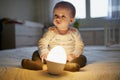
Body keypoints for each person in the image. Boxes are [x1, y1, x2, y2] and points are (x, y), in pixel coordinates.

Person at [21, 1, 87, 72]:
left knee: (82, 58)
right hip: (51, 59)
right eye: (56, 15)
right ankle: (37, 64)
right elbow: (42, 42)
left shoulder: (74, 32)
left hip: (68, 59)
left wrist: (74, 54)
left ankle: (67, 66)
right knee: (36, 53)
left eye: (63, 16)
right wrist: (45, 53)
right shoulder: (51, 31)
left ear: (71, 20)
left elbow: (80, 45)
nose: (58, 18)